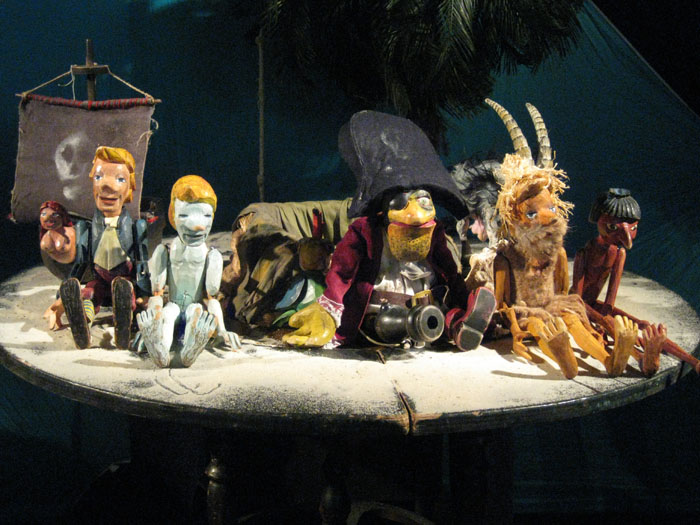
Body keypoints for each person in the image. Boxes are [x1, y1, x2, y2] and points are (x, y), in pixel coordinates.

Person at [283, 110, 496, 350]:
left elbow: (448, 271)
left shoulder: (433, 232)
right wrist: (329, 309)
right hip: (381, 313)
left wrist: (462, 299)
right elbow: (342, 271)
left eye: (423, 200)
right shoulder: (365, 231)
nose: (414, 211)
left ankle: (462, 326)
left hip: (428, 308)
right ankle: (435, 326)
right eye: (401, 202)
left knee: (440, 317)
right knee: (390, 325)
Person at [136, 175, 241, 367]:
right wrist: (151, 325)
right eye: (184, 215)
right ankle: (160, 348)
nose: (197, 225)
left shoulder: (211, 256)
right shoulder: (165, 252)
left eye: (206, 216)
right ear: (173, 215)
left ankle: (189, 351)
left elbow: (211, 297)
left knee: (196, 313)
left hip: (195, 305)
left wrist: (222, 330)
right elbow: (157, 293)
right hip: (173, 304)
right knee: (166, 316)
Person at [59, 146, 150, 349]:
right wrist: (65, 290)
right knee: (89, 293)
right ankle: (83, 323)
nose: (107, 186)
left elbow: (142, 262)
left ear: (130, 188)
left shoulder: (136, 227)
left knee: (126, 292)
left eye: (120, 179)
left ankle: (123, 324)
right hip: (100, 278)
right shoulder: (86, 228)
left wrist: (145, 292)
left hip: (124, 279)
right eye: (99, 177)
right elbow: (81, 262)